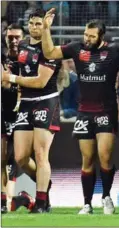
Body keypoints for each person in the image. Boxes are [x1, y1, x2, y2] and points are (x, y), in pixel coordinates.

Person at [40, 8, 119, 214]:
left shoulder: (115, 51)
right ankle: (87, 203)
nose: (87, 39)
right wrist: (46, 29)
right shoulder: (76, 48)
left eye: (91, 36)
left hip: (106, 111)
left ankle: (106, 197)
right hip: (84, 112)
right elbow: (49, 53)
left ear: (100, 37)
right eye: (85, 35)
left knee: (105, 156)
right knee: (87, 159)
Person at [1, 9, 62, 213]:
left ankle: (42, 203)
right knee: (20, 157)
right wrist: (9, 77)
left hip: (46, 102)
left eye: (39, 24)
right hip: (26, 104)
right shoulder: (24, 47)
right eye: (32, 24)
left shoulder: (51, 49)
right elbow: (20, 76)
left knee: (40, 153)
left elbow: (40, 81)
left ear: (46, 25)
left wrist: (11, 78)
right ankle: (44, 185)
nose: (35, 27)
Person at [1, 23, 36, 214]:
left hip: (24, 113)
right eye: (10, 37)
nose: (14, 41)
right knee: (3, 158)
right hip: (4, 112)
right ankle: (16, 200)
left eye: (17, 37)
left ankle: (39, 189)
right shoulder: (2, 58)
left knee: (16, 158)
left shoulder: (31, 58)